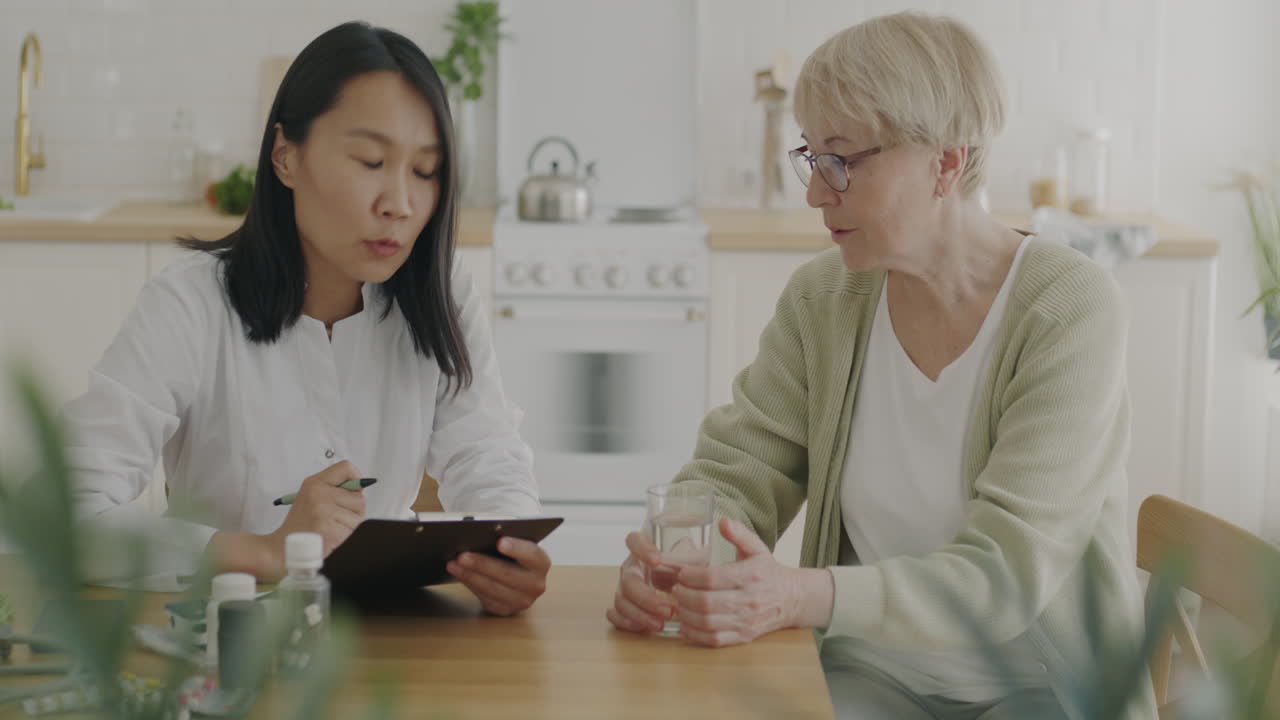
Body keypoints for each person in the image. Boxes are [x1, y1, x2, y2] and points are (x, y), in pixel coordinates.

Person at [607, 12, 1156, 720]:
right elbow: (740, 467)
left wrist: (801, 592)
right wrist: (675, 560)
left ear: (945, 163)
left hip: (1045, 689)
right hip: (871, 674)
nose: (815, 191)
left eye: (843, 159)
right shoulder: (824, 299)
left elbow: (1006, 575)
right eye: (812, 156)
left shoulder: (1068, 309)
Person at [62, 21, 549, 616]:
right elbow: (65, 514)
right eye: (371, 160)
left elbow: (487, 453)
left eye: (425, 171)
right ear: (285, 156)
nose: (399, 202)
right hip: (220, 644)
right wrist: (261, 551)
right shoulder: (189, 305)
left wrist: (508, 549)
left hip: (389, 639)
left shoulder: (441, 291)